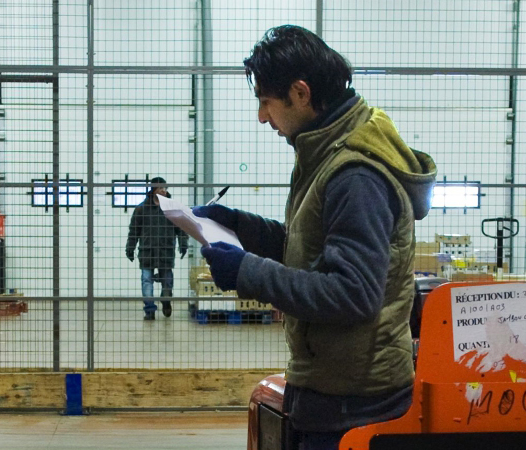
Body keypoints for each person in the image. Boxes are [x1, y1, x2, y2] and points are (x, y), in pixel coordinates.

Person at [193, 25, 437, 450]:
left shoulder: (355, 173)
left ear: (301, 93)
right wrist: (241, 227)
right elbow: (315, 249)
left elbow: (351, 293)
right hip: (336, 391)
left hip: (355, 403)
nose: (262, 117)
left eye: (266, 102)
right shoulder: (326, 152)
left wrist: (247, 272)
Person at [125, 177, 189, 320]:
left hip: (165, 251)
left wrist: (183, 243)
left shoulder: (172, 208)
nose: (164, 191)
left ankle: (166, 301)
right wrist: (130, 247)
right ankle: (149, 310)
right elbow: (134, 230)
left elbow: (181, 228)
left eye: (165, 188)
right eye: (161, 188)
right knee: (146, 280)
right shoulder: (141, 209)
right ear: (153, 189)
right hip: (147, 251)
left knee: (167, 281)